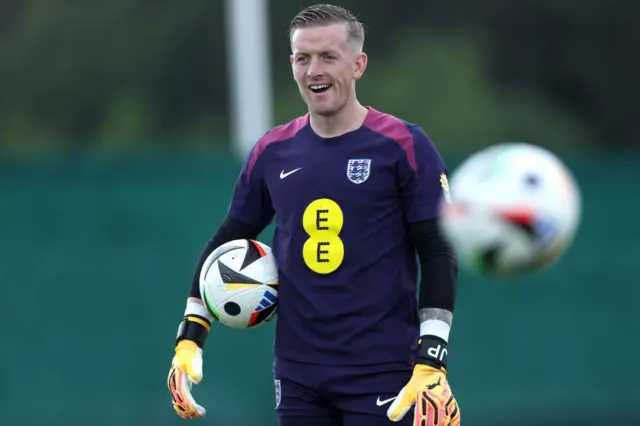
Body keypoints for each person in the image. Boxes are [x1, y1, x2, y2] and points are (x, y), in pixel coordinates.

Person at [167, 4, 461, 426]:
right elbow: (225, 243)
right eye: (303, 58)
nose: (314, 70)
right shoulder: (272, 151)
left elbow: (437, 252)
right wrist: (189, 338)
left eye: (328, 57)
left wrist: (432, 358)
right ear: (291, 64)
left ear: (358, 64)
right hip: (299, 374)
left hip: (384, 368)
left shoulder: (404, 145)